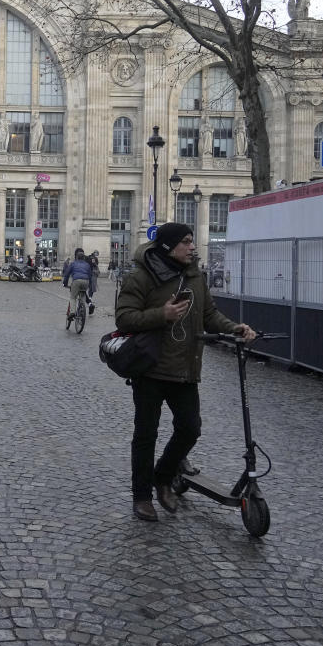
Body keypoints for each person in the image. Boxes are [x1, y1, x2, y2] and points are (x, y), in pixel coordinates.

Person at [115, 222, 256, 522]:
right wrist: (161, 315)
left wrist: (235, 329)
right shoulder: (142, 276)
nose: (192, 247)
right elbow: (124, 318)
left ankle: (163, 476)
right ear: (168, 246)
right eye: (186, 242)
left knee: (190, 429)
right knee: (145, 436)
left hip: (185, 369)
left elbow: (209, 315)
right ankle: (142, 497)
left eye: (192, 241)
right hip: (150, 368)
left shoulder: (195, 277)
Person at [62, 248, 97, 318]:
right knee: (83, 296)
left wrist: (65, 283)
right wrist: (89, 285)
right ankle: (83, 309)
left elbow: (67, 274)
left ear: (76, 256)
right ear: (83, 257)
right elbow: (90, 275)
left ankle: (72, 312)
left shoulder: (73, 263)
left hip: (76, 281)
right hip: (86, 281)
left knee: (73, 297)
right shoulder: (87, 264)